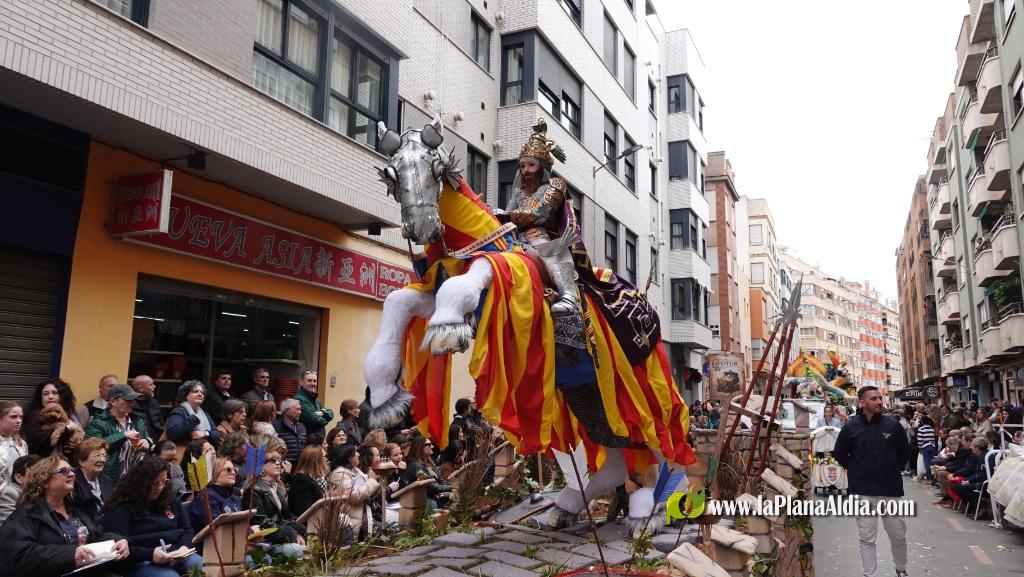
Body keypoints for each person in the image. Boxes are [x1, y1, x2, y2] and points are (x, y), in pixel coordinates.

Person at [497, 118, 577, 317]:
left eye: (531, 165)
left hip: (538, 235)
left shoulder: (555, 186)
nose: (525, 171)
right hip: (512, 236)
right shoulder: (518, 194)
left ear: (542, 166)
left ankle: (569, 296)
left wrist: (506, 216)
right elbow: (507, 214)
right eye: (522, 166)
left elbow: (539, 214)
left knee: (553, 250)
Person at [0, 455, 130, 577]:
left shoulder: (75, 510)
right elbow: (16, 556)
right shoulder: (27, 514)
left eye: (72, 470)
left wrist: (118, 540)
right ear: (44, 482)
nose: (72, 474)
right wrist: (70, 554)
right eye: (63, 471)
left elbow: (98, 535)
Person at [832, 386, 909, 577]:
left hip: (890, 490)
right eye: (873, 399)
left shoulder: (893, 426)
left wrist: (890, 469)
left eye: (879, 398)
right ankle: (869, 574)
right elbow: (840, 453)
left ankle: (901, 570)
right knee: (866, 537)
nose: (879, 402)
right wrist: (857, 470)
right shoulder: (850, 427)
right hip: (862, 491)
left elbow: (905, 453)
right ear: (862, 403)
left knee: (898, 535)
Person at [100, 456, 204, 577]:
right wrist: (150, 554)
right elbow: (118, 546)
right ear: (142, 483)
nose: (159, 487)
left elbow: (187, 529)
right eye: (154, 483)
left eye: (164, 482)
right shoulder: (122, 507)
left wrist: (184, 547)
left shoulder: (170, 500)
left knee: (201, 568)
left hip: (177, 554)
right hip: (141, 561)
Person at [246, 445, 305, 558]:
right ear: (260, 466)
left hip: (280, 536)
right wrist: (291, 535)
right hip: (266, 541)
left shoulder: (274, 487)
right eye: (272, 461)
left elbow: (285, 518)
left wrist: (296, 532)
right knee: (305, 552)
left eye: (279, 460)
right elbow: (263, 523)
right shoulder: (254, 489)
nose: (278, 463)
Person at [85, 383, 152, 483]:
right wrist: (123, 435)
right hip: (109, 479)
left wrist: (147, 441)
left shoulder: (137, 420)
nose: (132, 403)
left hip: (134, 479)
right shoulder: (99, 422)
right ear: (113, 401)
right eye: (127, 400)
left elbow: (148, 437)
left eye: (132, 400)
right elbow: (92, 448)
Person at [328, 444, 379, 542]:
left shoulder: (355, 470)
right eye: (355, 452)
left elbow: (369, 493)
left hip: (363, 516)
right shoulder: (339, 473)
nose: (358, 454)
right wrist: (371, 480)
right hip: (351, 521)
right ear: (348, 457)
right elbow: (355, 496)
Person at [186, 457, 243, 537]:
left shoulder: (233, 496)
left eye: (235, 470)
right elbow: (217, 530)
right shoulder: (205, 498)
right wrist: (249, 531)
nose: (233, 472)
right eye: (228, 470)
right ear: (215, 475)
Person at [24, 378, 84, 454]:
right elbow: (35, 443)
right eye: (45, 394)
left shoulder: (73, 416)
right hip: (43, 461)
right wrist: (66, 429)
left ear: (62, 396)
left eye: (55, 393)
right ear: (40, 397)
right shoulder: (34, 416)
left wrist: (77, 443)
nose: (50, 397)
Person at [400, 436, 452, 510]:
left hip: (435, 495)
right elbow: (431, 488)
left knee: (457, 495)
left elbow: (441, 480)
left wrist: (453, 487)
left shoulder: (430, 462)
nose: (432, 446)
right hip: (421, 498)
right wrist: (453, 487)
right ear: (420, 447)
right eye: (429, 445)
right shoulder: (415, 466)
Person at [164, 381, 220, 450]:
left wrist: (205, 433)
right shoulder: (179, 411)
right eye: (195, 391)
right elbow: (173, 433)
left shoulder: (203, 413)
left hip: (202, 453)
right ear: (186, 395)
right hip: (185, 454)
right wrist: (194, 418)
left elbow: (217, 434)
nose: (200, 394)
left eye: (202, 392)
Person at [72, 437, 113, 524]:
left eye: (104, 456)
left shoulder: (106, 480)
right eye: (97, 456)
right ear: (82, 461)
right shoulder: (73, 481)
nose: (102, 460)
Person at [287, 445, 328, 518]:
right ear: (316, 460)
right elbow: (304, 511)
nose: (327, 459)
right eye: (325, 456)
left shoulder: (314, 478)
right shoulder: (302, 481)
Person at [0, 454, 40, 525]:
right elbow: (10, 528)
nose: (40, 479)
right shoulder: (10, 493)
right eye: (35, 474)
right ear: (18, 478)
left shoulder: (38, 493)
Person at [294, 370, 334, 438]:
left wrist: (321, 412)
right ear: (301, 382)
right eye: (309, 380)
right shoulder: (299, 399)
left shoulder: (315, 399)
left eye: (315, 381)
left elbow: (331, 413)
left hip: (317, 440)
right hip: (307, 441)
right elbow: (315, 421)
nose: (313, 383)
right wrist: (324, 412)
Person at [0, 400, 29, 485]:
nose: (19, 420)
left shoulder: (21, 444)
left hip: (17, 493)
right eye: (13, 417)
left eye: (20, 417)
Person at [130, 375, 165, 443]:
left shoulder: (154, 403)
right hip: (140, 444)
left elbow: (160, 424)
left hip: (156, 443)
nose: (154, 387)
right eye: (151, 385)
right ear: (140, 388)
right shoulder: (130, 406)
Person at [273, 399, 307, 467]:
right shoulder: (276, 426)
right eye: (297, 409)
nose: (300, 412)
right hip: (284, 466)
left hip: (300, 466)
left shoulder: (301, 427)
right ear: (287, 411)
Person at [916, 415, 937, 482]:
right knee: (932, 462)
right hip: (932, 446)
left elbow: (920, 440)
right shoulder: (931, 428)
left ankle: (929, 477)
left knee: (927, 462)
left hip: (925, 446)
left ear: (921, 421)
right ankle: (933, 476)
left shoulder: (921, 429)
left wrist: (920, 448)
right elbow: (933, 438)